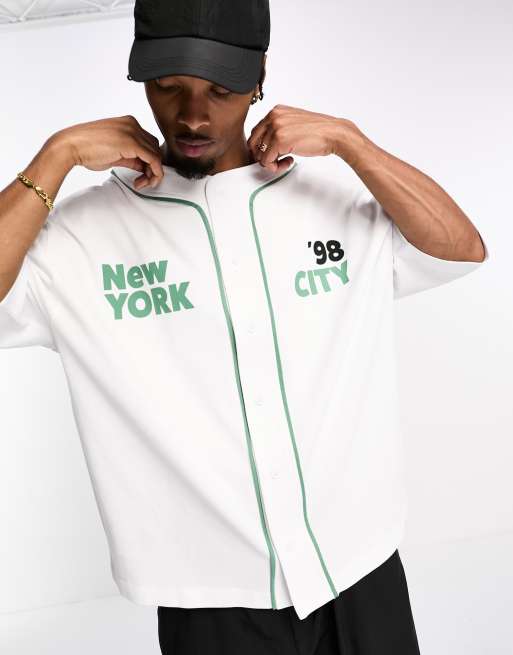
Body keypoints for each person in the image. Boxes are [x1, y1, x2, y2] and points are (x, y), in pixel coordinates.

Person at [0, 1, 489, 653]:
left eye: (221, 90)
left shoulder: (332, 203)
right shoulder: (83, 236)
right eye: (168, 86)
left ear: (259, 78)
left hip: (360, 570)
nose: (193, 115)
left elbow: (460, 249)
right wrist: (54, 158)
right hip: (211, 603)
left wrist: (351, 142)